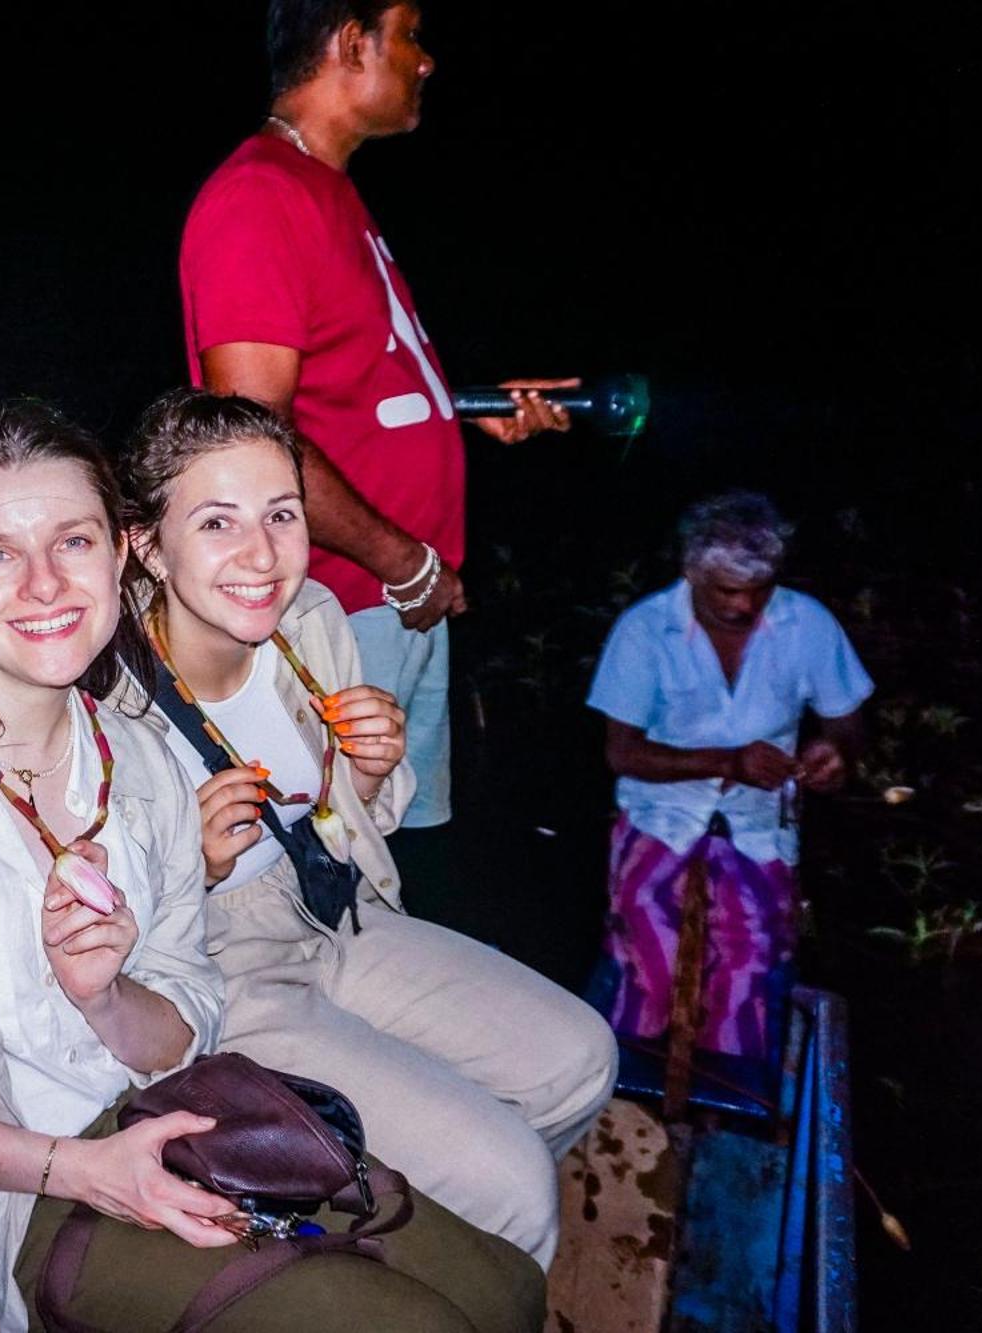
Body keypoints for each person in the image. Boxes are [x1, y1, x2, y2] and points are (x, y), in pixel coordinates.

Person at [0, 402, 544, 1332]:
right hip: (9, 1194)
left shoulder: (138, 761)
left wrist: (105, 998)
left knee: (503, 1288)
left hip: (165, 1116)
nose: (43, 583)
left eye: (72, 541)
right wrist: (77, 1167)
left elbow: (189, 1005)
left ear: (119, 555)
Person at [121, 388, 615, 1268]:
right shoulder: (108, 705)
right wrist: (185, 866)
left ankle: (432, 1259)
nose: (262, 554)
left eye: (282, 513)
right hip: (219, 969)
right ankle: (426, 1276)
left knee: (581, 1061)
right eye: (217, 523)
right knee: (516, 1185)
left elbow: (355, 823)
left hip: (340, 913)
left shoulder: (309, 621)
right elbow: (85, 940)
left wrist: (368, 769)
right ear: (147, 546)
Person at [179, 0, 573, 843]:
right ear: (353, 44)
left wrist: (457, 412)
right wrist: (402, 562)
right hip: (336, 603)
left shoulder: (326, 191)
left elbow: (342, 389)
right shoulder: (260, 194)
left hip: (387, 599)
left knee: (382, 860)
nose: (425, 61)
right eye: (411, 36)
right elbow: (251, 436)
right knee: (329, 871)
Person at [587, 491, 873, 1060]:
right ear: (691, 572)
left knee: (751, 974)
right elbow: (621, 753)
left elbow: (850, 728)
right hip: (658, 820)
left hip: (761, 827)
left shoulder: (807, 624)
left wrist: (834, 753)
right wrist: (728, 761)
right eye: (725, 591)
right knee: (644, 966)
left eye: (758, 590)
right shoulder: (644, 629)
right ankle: (627, 1108)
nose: (743, 606)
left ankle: (729, 1116)